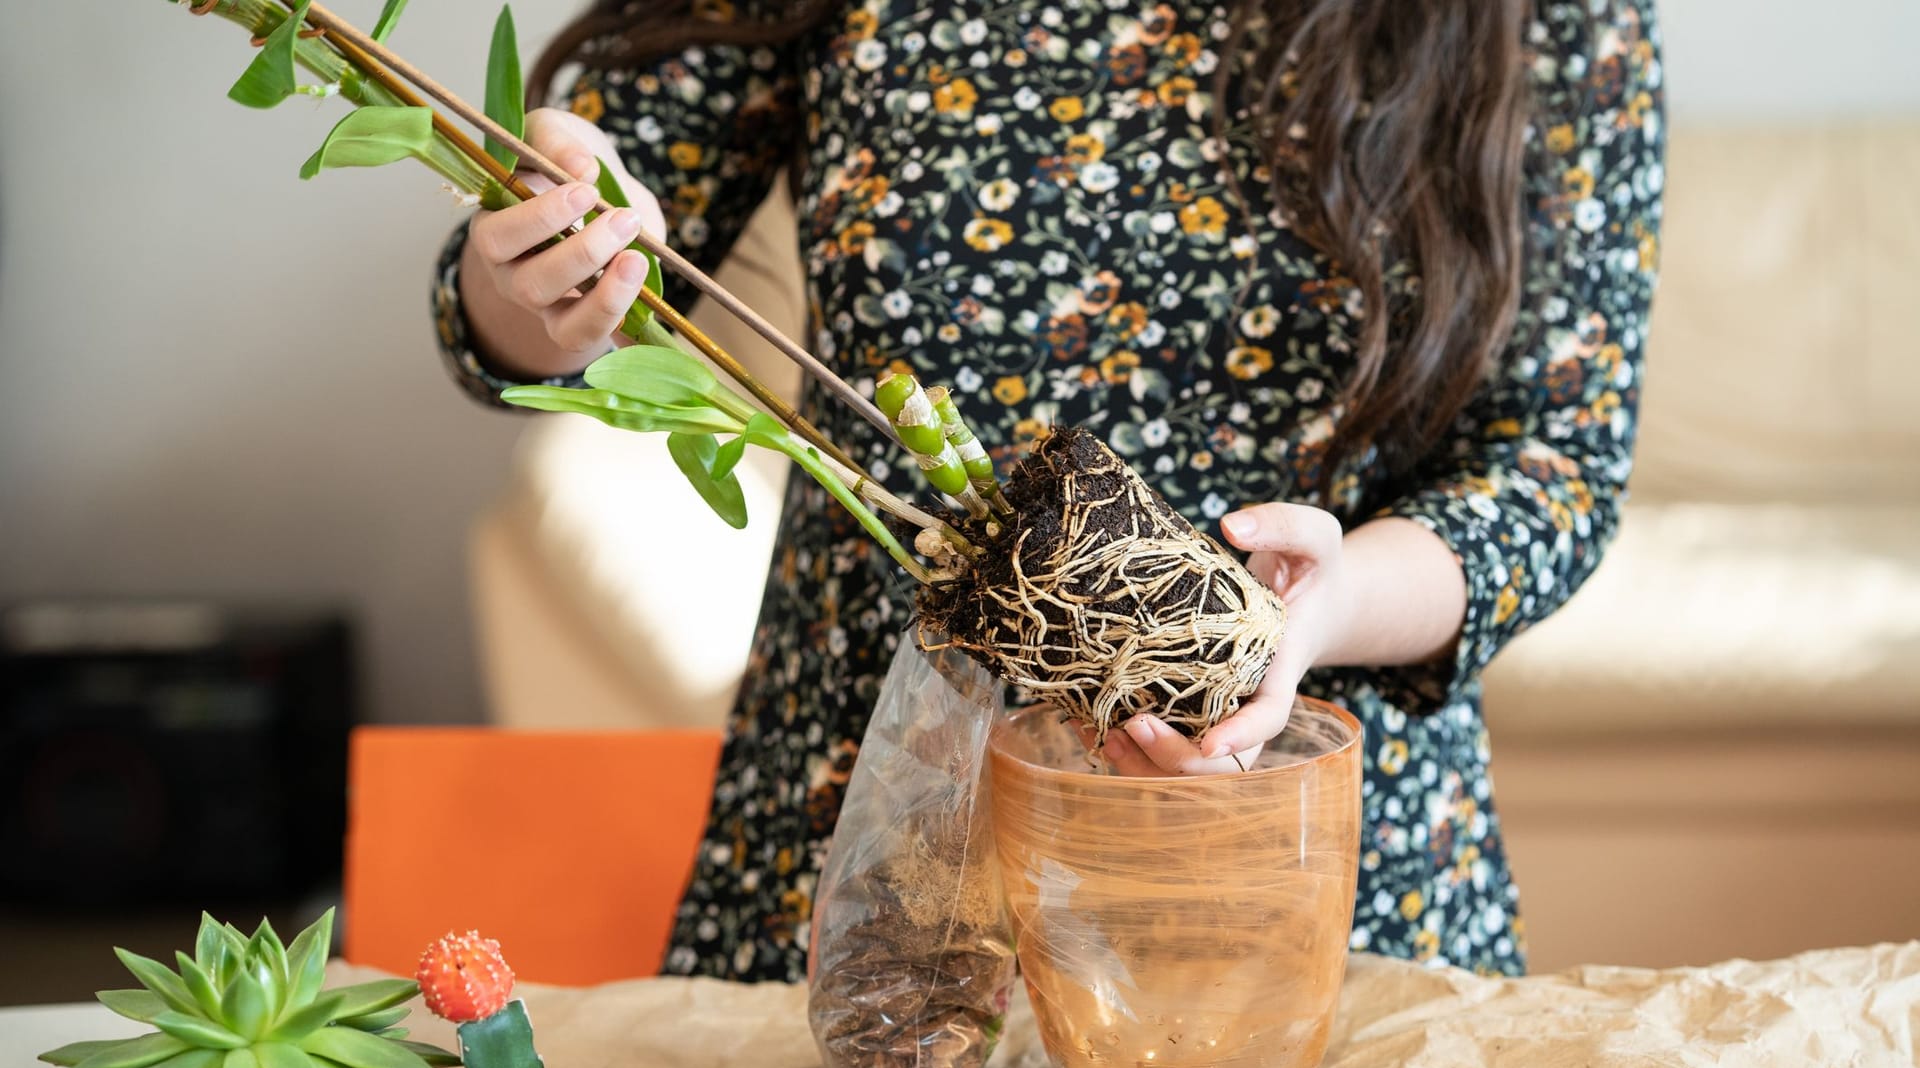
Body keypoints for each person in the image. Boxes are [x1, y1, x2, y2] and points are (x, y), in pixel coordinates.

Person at [431, 0, 1664, 981]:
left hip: (1296, 822)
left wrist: (1319, 615)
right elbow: (536, 306)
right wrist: (545, 260)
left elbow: (1556, 462)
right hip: (881, 825)